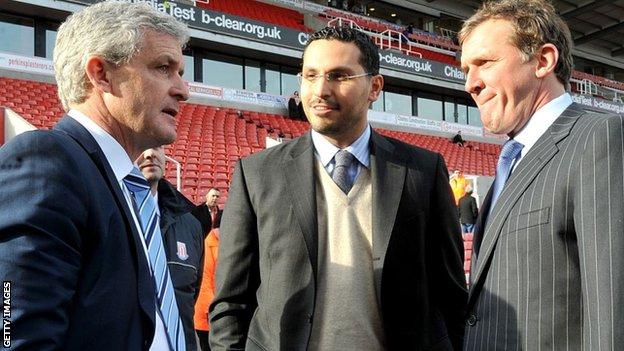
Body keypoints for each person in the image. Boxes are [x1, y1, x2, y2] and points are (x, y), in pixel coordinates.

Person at [209, 26, 466, 350]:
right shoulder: (257, 173)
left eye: (339, 76)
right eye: (310, 75)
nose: (320, 90)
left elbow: (452, 295)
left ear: (375, 87)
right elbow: (231, 303)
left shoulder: (423, 171)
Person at [0, 2, 190, 350]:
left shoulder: (128, 186)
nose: (183, 89)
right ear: (101, 74)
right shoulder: (47, 161)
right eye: (164, 68)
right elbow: (15, 334)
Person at [459, 0, 624, 349]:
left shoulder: (599, 137)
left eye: (484, 63)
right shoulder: (512, 159)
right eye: (465, 70)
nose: (470, 84)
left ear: (543, 61)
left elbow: (613, 304)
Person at [138, 146, 205, 351]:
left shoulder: (191, 225)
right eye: (142, 146)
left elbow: (189, 297)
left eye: (157, 146)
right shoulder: (107, 213)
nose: (150, 153)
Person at [194, 228, 221, 351]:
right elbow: (204, 280)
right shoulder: (208, 244)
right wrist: (211, 310)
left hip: (215, 310)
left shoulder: (220, 244)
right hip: (207, 314)